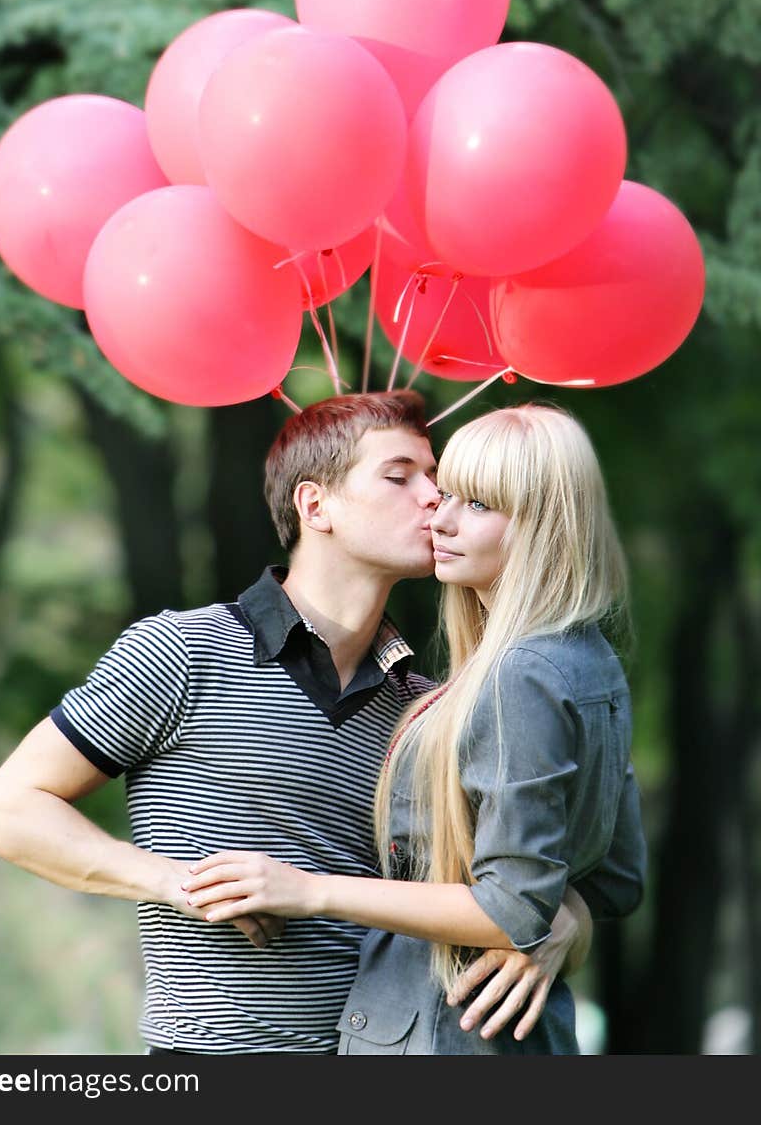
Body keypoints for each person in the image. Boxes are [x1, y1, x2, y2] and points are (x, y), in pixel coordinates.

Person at [0, 391, 592, 1055]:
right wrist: (178, 884)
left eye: (436, 478)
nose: (434, 497)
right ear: (315, 504)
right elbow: (8, 812)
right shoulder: (182, 652)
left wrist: (566, 929)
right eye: (400, 474)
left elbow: (536, 880)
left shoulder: (433, 711)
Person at [180, 403, 647, 1055]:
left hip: (445, 1033)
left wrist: (309, 891)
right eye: (447, 493)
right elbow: (616, 877)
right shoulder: (589, 661)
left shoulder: (522, 674)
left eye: (480, 505)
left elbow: (511, 910)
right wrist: (564, 917)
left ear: (543, 526)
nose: (441, 516)